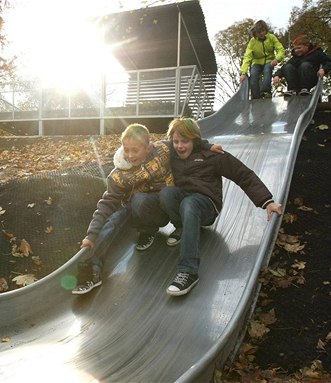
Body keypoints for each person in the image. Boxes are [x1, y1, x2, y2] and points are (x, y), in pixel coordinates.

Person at [72, 123, 223, 295]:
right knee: (116, 217)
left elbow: (184, 142)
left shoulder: (163, 149)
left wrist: (207, 145)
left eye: (135, 150)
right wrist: (91, 235)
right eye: (126, 150)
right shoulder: (118, 175)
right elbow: (106, 203)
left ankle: (178, 229)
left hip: (171, 202)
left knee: (164, 194)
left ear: (148, 147)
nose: (129, 155)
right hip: (144, 209)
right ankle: (93, 272)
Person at [159, 118, 283, 297]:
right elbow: (152, 147)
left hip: (206, 206)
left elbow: (243, 175)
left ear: (195, 140)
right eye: (176, 141)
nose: (179, 146)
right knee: (166, 194)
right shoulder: (171, 153)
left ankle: (188, 271)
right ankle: (181, 226)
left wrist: (267, 201)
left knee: (190, 203)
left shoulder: (213, 156)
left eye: (184, 141)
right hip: (184, 203)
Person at [239, 20, 285, 99]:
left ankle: (266, 91)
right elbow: (247, 56)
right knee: (253, 73)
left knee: (267, 69)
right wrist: (243, 72)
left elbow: (280, 49)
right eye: (259, 32)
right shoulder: (253, 41)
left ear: (266, 30)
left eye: (263, 31)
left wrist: (277, 59)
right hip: (256, 62)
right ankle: (256, 96)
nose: (261, 34)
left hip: (269, 60)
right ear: (256, 32)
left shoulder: (271, 37)